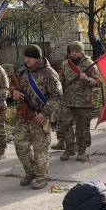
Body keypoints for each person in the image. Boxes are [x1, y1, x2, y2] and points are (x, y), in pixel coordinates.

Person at [12, 45, 62, 189]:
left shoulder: (49, 73)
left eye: (30, 57)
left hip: (40, 117)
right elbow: (15, 87)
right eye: (25, 57)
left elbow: (57, 96)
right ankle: (31, 172)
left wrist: (45, 113)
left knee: (40, 149)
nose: (26, 60)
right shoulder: (23, 71)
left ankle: (42, 177)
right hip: (24, 116)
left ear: (38, 58)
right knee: (20, 145)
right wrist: (14, 91)